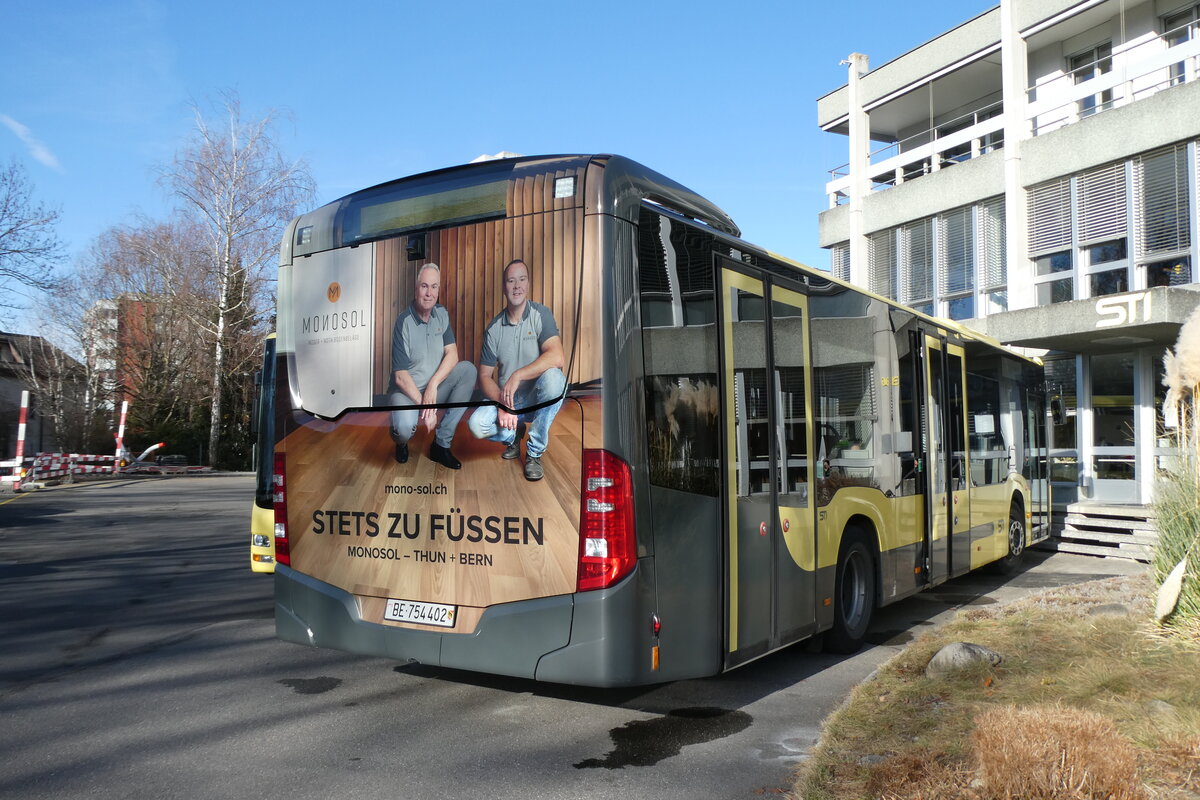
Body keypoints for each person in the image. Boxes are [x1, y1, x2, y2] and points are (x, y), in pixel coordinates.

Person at [468, 259, 566, 481]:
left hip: (536, 397)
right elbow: (484, 376)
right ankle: (513, 434)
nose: (516, 286)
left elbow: (557, 356)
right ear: (504, 286)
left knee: (555, 379)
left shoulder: (541, 314)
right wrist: (502, 404)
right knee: (476, 424)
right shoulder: (493, 329)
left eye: (522, 279)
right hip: (507, 400)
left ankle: (534, 452)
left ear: (528, 284)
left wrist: (518, 374)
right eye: (511, 281)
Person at [388, 263, 477, 469]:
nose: (429, 293)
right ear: (416, 288)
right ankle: (400, 441)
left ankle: (441, 445)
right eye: (424, 286)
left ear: (439, 289)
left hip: (433, 390)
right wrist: (426, 408)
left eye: (434, 287)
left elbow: (452, 354)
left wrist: (434, 384)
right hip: (406, 392)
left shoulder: (441, 314)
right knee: (403, 428)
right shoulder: (403, 322)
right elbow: (400, 376)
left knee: (467, 370)